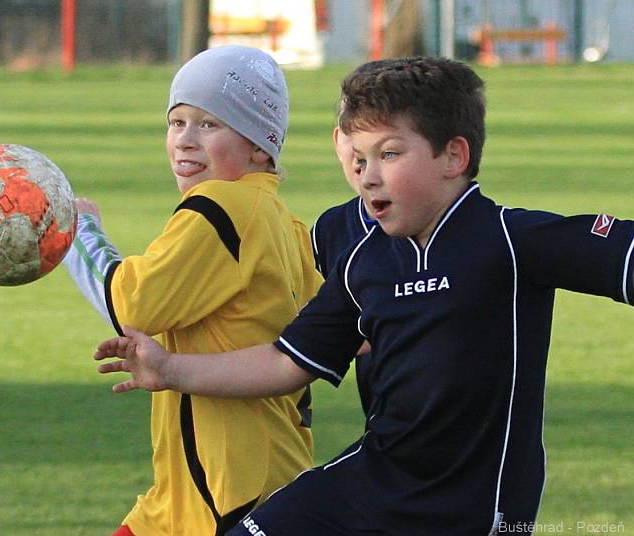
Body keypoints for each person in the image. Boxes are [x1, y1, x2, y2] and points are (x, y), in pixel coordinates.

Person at [93, 57, 634, 535]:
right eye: (359, 157)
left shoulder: (513, 242)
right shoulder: (356, 247)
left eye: (390, 154)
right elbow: (288, 360)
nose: (368, 177)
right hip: (372, 479)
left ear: (454, 156)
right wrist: (170, 370)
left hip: (476, 508)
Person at [62, 45, 321, 536]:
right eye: (177, 122)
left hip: (229, 497)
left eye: (209, 124)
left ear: (260, 146)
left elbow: (131, 303)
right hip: (198, 495)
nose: (184, 140)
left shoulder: (222, 205)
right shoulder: (287, 226)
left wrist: (76, 233)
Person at [311, 96, 377, 420]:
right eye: (353, 135)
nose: (362, 152)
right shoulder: (329, 228)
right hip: (383, 429)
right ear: (338, 141)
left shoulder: (447, 229)